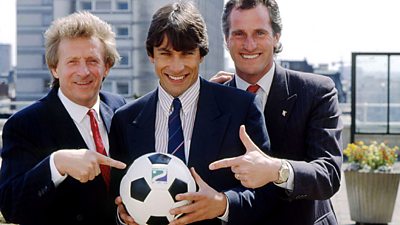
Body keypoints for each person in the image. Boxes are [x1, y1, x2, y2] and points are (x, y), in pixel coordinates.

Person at [109, 1, 270, 225]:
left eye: (186, 54)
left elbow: (268, 196)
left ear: (201, 55)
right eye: (166, 54)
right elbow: (114, 198)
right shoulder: (125, 119)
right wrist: (123, 217)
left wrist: (223, 204)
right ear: (151, 55)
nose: (177, 67)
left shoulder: (241, 109)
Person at [208, 0, 343, 224]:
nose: (249, 45)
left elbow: (328, 175)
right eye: (239, 33)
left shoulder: (317, 92)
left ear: (276, 37)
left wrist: (276, 170)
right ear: (226, 39)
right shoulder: (213, 99)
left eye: (260, 33)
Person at [0, 12, 127, 225]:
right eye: (72, 62)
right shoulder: (24, 125)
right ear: (54, 68)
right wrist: (55, 165)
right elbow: (12, 206)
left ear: (107, 66)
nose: (83, 71)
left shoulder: (121, 109)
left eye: (92, 60)